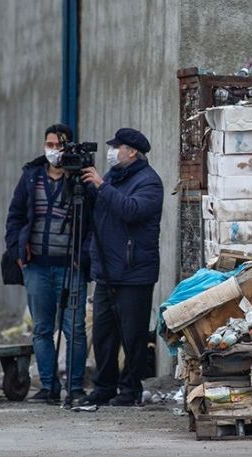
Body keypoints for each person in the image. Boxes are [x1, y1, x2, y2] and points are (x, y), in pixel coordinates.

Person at [78, 128, 163, 407]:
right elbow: (97, 220)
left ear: (133, 151)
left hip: (134, 272)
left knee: (132, 335)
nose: (112, 151)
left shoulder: (149, 182)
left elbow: (131, 210)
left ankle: (130, 389)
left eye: (118, 147)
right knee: (103, 334)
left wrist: (102, 187)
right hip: (106, 271)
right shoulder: (113, 177)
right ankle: (104, 386)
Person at [4, 124, 89, 404]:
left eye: (58, 145)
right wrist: (17, 250)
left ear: (68, 147)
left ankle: (75, 387)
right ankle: (48, 386)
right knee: (42, 328)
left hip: (71, 266)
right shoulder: (31, 177)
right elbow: (15, 216)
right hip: (37, 266)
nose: (53, 150)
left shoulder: (79, 179)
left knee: (74, 327)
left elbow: (92, 220)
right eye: (49, 144)